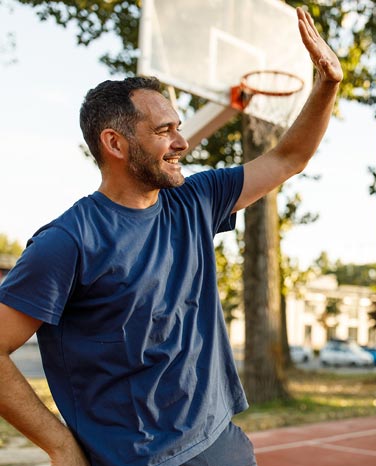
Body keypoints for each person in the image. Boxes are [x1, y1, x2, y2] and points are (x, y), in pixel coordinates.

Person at [0, 8, 341, 466]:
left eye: (179, 127)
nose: (181, 143)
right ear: (115, 145)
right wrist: (59, 445)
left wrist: (327, 86)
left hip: (221, 442)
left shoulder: (196, 200)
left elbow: (288, 158)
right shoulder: (68, 241)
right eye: (164, 131)